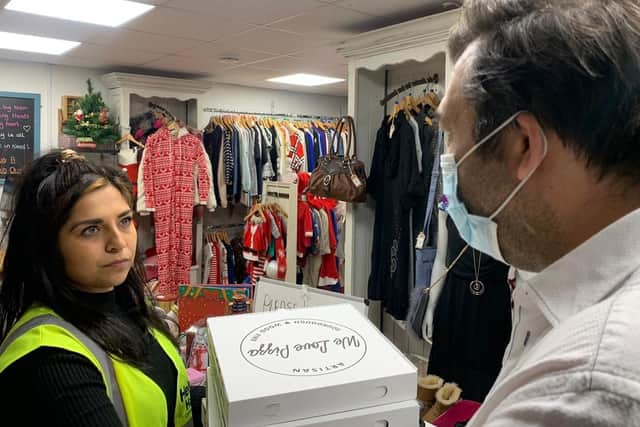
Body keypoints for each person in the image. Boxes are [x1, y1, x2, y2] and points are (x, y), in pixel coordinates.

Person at [437, 0, 640, 425]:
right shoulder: (556, 296)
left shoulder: (587, 386)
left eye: (452, 135)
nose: (449, 159)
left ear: (523, 145)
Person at [0, 149, 193, 426]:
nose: (118, 242)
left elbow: (168, 391)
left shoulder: (127, 305)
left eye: (125, 221)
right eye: (91, 229)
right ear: (48, 245)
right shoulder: (52, 359)